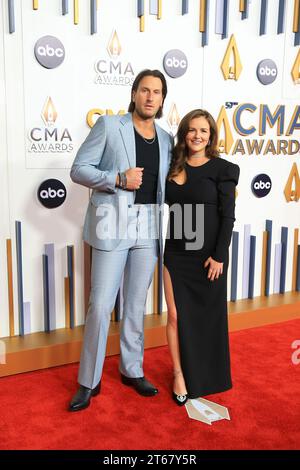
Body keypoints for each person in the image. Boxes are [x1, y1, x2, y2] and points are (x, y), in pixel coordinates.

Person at [69, 69, 173, 411]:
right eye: (144, 90)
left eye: (156, 92)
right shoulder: (110, 126)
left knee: (135, 304)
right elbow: (79, 168)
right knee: (100, 305)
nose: (149, 97)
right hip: (112, 223)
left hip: (149, 228)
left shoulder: (166, 137)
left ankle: (132, 369)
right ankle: (89, 380)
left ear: (161, 99)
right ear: (134, 93)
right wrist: (116, 178)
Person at [163, 109, 240, 405]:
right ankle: (179, 373)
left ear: (211, 136)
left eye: (204, 131)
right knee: (174, 315)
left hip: (209, 258)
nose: (197, 135)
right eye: (192, 129)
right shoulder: (172, 166)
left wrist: (219, 256)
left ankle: (209, 374)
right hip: (175, 253)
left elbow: (228, 217)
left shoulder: (223, 169)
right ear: (184, 133)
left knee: (208, 318)